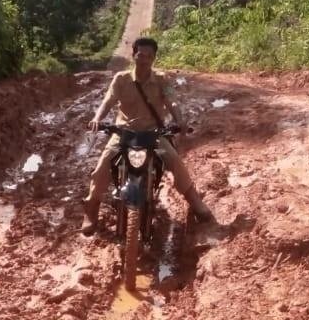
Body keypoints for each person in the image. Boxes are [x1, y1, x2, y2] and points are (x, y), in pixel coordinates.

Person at [82, 36, 213, 235]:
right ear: (134, 55)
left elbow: (173, 102)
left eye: (149, 56)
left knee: (175, 161)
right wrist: (97, 118)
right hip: (124, 134)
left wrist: (180, 120)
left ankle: (195, 202)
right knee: (102, 167)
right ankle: (91, 211)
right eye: (141, 55)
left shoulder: (162, 79)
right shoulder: (121, 79)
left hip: (153, 134)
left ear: (154, 58)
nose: (144, 60)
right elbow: (108, 101)